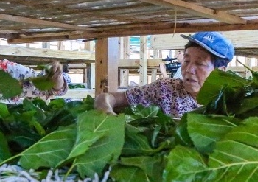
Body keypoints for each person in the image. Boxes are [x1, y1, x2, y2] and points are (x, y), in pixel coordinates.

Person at [95, 31, 234, 117]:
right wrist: (107, 112)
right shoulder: (165, 90)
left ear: (220, 71)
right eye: (186, 60)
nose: (189, 69)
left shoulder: (231, 103)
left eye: (200, 63)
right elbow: (106, 97)